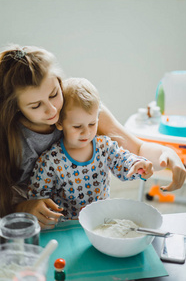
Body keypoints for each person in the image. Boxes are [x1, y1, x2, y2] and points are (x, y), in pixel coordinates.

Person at [0, 44, 186, 229]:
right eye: (35, 106)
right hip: (26, 223)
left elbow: (136, 149)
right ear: (15, 107)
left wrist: (167, 153)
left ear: (59, 82)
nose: (52, 109)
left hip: (92, 220)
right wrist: (22, 207)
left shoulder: (79, 107)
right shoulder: (10, 135)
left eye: (54, 94)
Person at [28, 78, 154, 222]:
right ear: (60, 123)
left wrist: (136, 165)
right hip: (67, 226)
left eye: (92, 124)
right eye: (77, 126)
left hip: (101, 221)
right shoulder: (50, 160)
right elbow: (38, 197)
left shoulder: (104, 147)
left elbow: (122, 161)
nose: (86, 132)